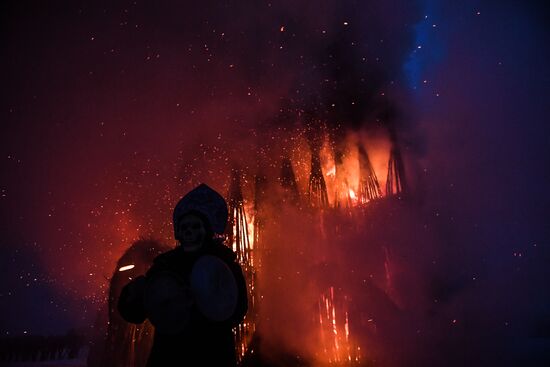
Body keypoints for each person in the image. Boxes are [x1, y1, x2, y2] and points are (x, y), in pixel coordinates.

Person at [118, 184, 248, 367]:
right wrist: (134, 295)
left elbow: (238, 309)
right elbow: (136, 313)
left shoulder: (225, 265)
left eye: (195, 226)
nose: (189, 231)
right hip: (170, 355)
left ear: (207, 231)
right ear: (178, 232)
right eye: (184, 226)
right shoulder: (165, 266)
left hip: (213, 354)